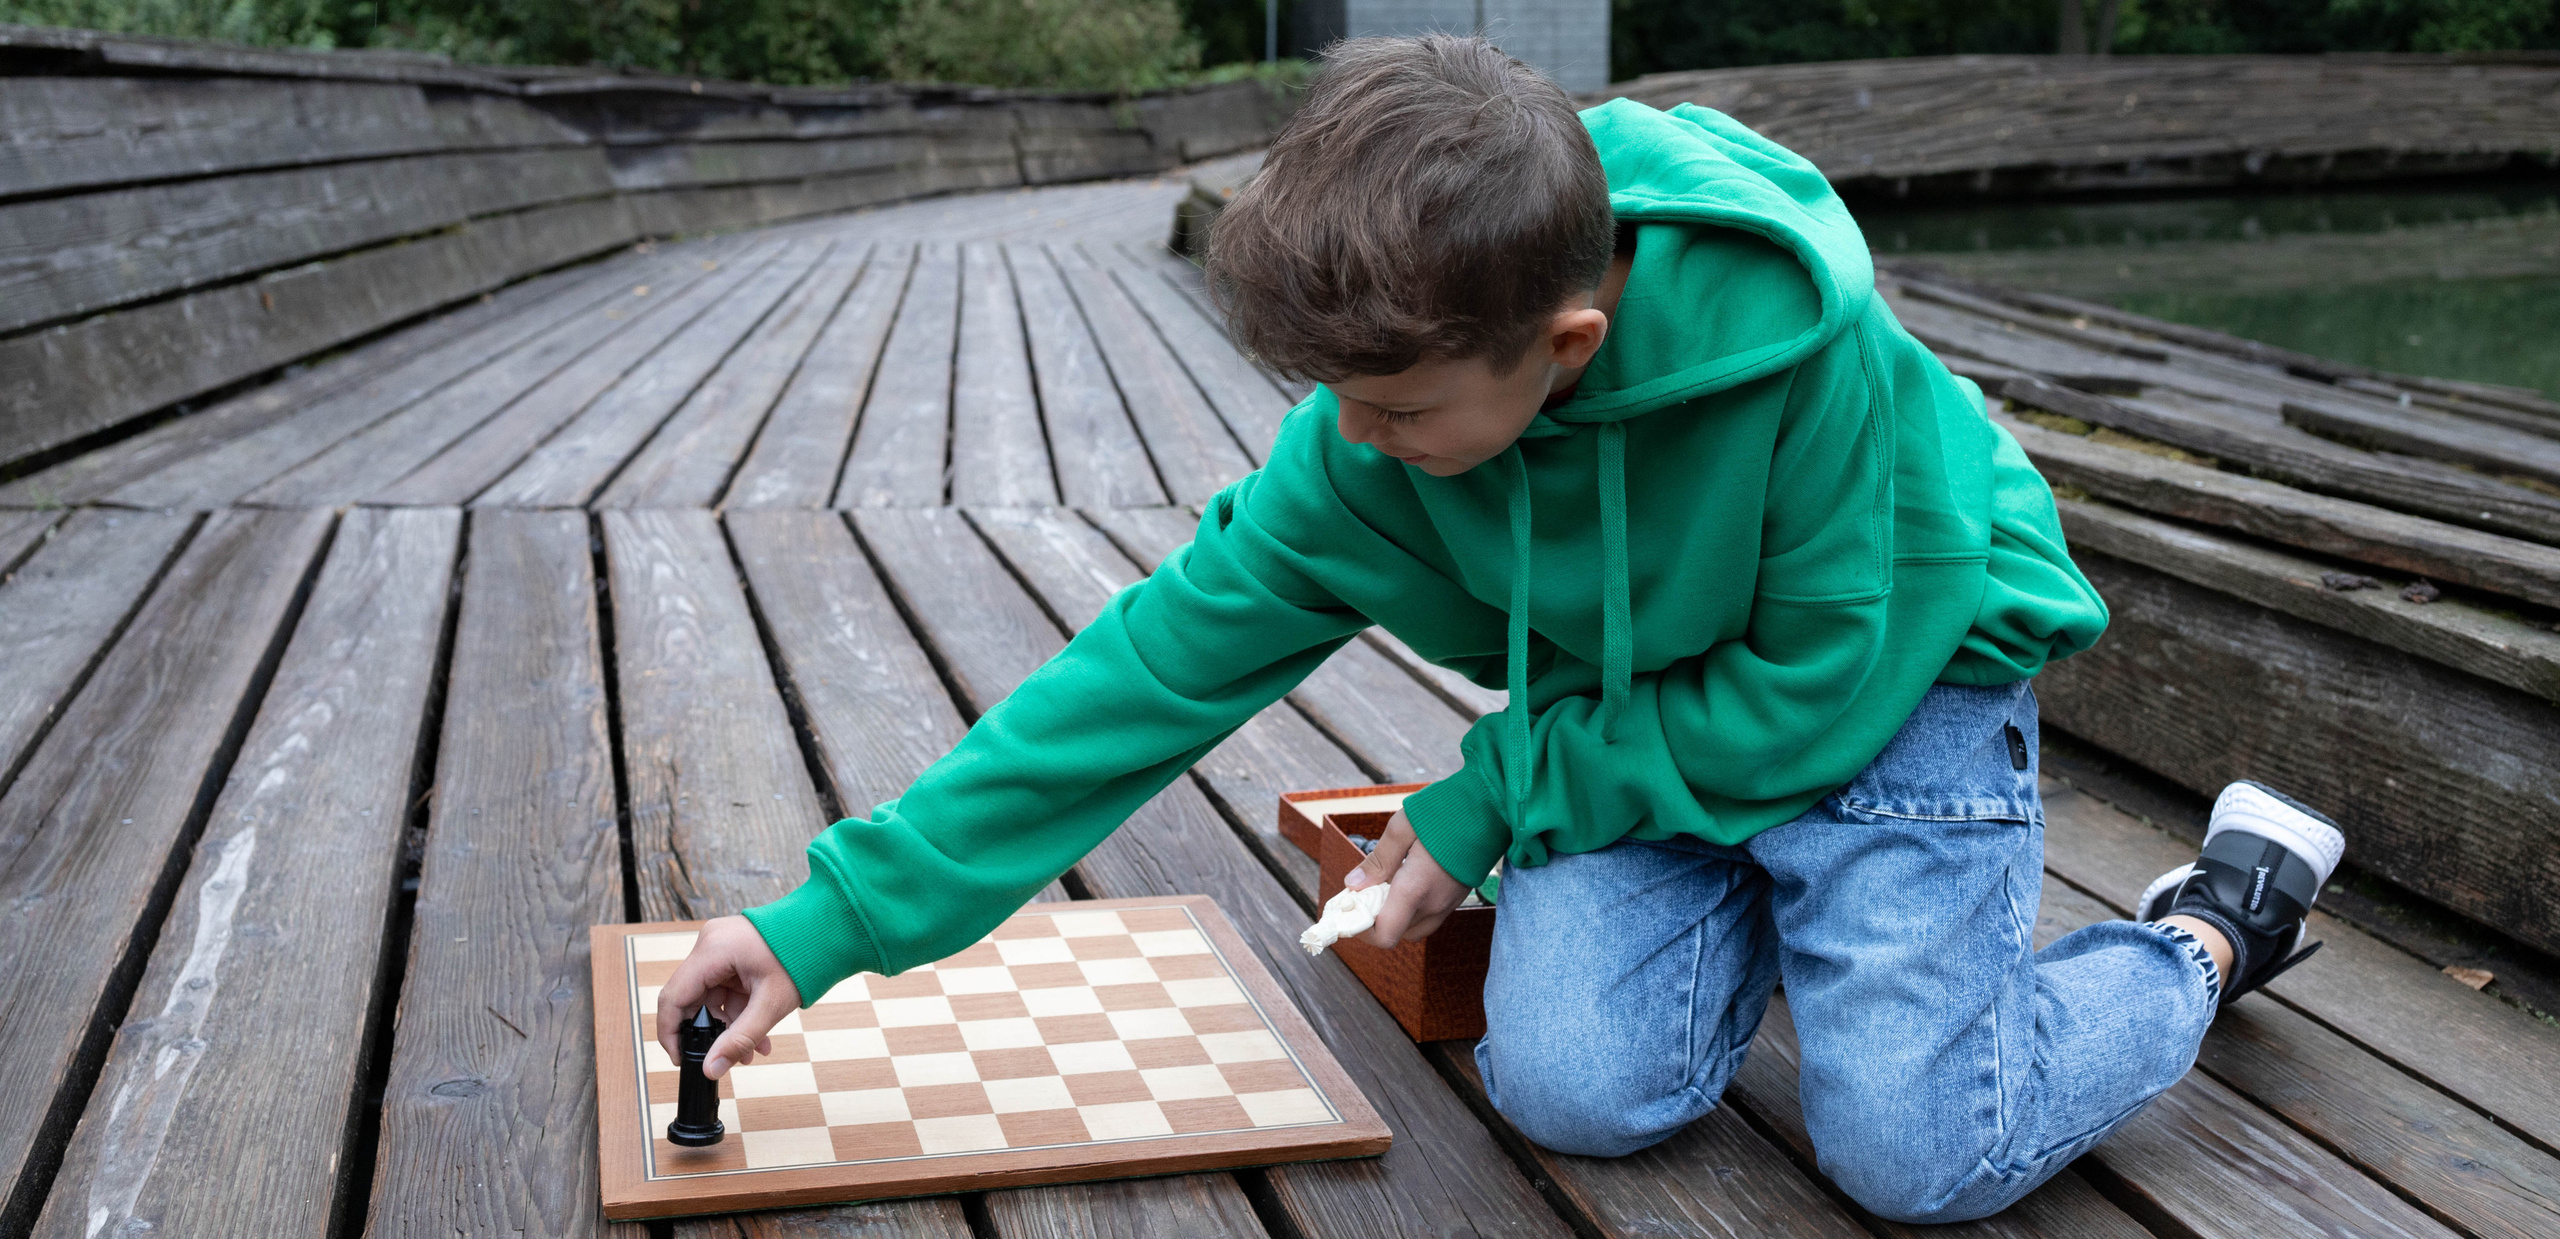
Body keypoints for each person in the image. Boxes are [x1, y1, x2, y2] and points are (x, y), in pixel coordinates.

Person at [656, 34, 2346, 1223]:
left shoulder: (1804, 357)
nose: (1346, 443)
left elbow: (1821, 688)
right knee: (1576, 1094)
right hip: (1635, 709)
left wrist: (1484, 802)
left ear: (1567, 339)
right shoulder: (1362, 446)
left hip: (1899, 694)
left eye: (1390, 407)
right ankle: (1805, 927)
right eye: (1328, 397)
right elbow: (1142, 678)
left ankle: (2212, 925)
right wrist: (823, 926)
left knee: (1915, 1158)